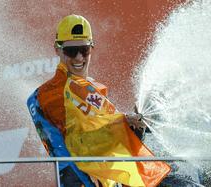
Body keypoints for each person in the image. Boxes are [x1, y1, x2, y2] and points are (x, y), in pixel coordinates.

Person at [27, 14, 171, 187]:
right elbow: (80, 140)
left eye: (84, 50)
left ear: (91, 49)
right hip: (80, 180)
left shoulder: (91, 87)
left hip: (106, 180)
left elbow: (108, 137)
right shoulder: (49, 92)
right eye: (71, 51)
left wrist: (135, 125)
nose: (79, 57)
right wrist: (123, 122)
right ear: (57, 49)